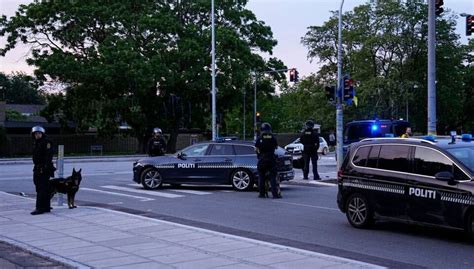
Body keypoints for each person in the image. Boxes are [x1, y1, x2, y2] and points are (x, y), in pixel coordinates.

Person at [31, 126, 55, 215]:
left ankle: (40, 208)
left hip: (43, 168)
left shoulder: (46, 142)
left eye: (39, 133)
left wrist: (44, 167)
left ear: (42, 134)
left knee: (41, 189)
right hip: (38, 167)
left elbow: (49, 156)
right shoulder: (37, 142)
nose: (37, 135)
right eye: (35, 134)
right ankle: (46, 207)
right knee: (42, 188)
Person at [255, 122, 282, 199]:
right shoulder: (273, 137)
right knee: (273, 177)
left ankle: (262, 194)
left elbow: (256, 149)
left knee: (261, 177)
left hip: (262, 160)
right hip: (271, 159)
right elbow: (276, 147)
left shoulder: (259, 138)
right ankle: (275, 194)